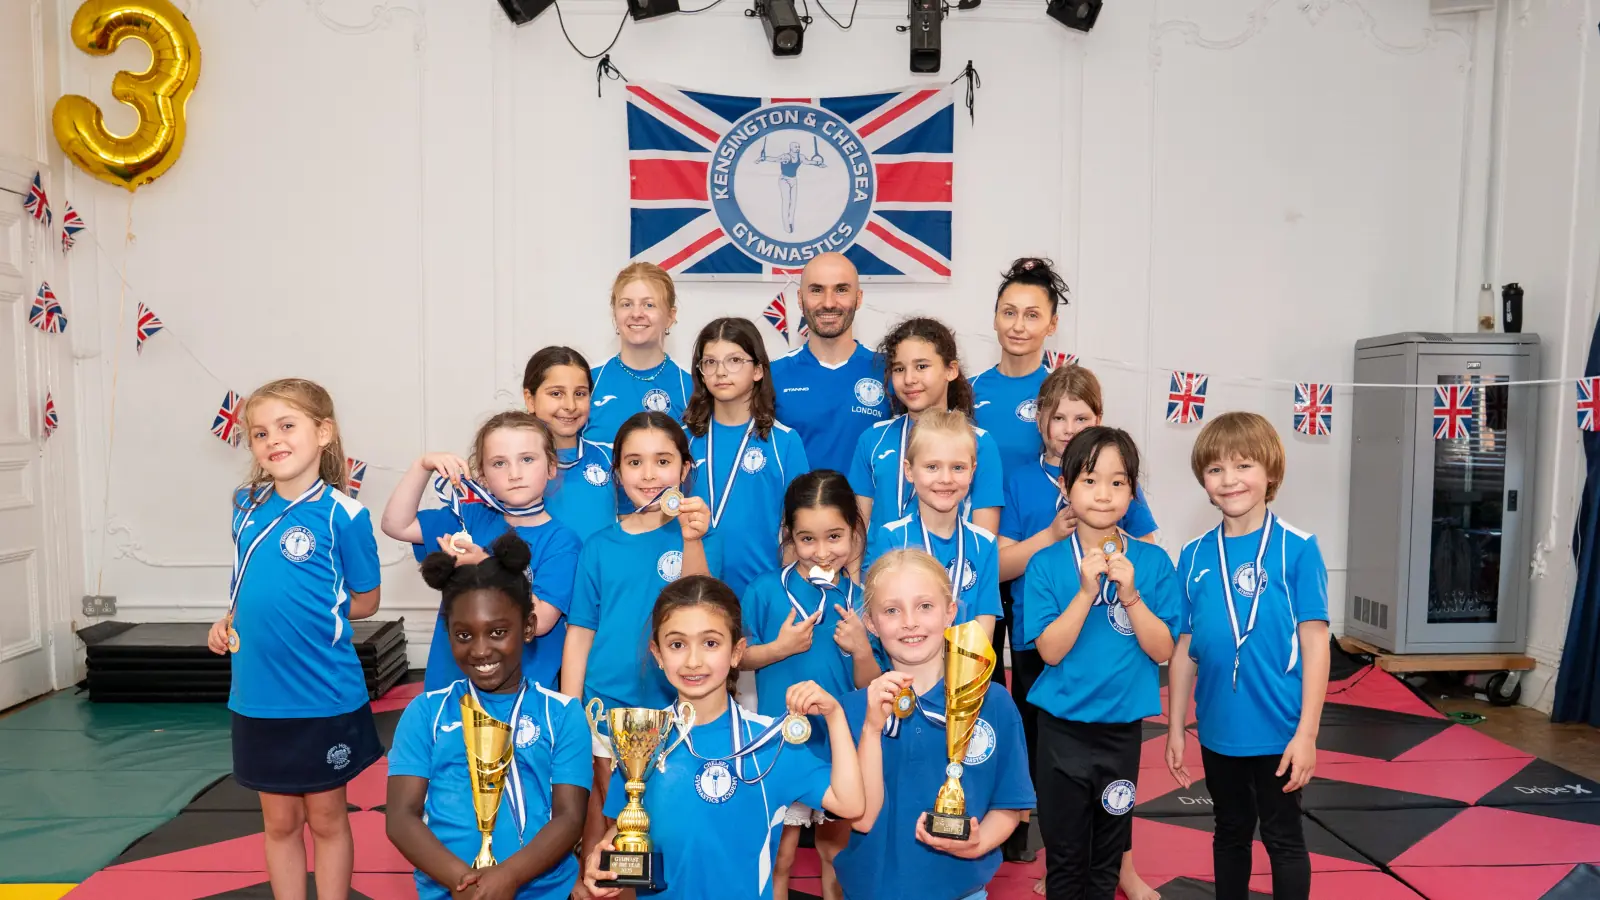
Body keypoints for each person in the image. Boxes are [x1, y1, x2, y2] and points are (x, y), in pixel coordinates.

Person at [583, 576, 868, 900]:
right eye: (677, 644)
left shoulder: (769, 742)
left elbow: (850, 803)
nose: (693, 660)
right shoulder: (642, 739)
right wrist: (602, 855)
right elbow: (627, 829)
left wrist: (834, 716)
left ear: (737, 652)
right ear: (658, 654)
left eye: (711, 643)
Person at [206, 378, 382, 900]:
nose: (272, 440)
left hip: (322, 695)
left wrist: (318, 612)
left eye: (287, 426)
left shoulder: (345, 514)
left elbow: (366, 601)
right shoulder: (244, 504)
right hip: (257, 696)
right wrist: (227, 620)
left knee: (327, 819)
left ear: (323, 432)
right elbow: (244, 583)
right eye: (259, 433)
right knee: (278, 822)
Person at [995, 365, 1161, 892]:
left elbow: (1151, 551)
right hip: (1040, 640)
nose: (1068, 426)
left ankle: (1118, 869)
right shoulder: (1021, 479)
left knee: (1110, 794)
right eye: (1058, 416)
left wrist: (1128, 583)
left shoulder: (1111, 474)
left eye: (1081, 417)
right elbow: (1001, 564)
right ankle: (1056, 859)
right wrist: (1050, 536)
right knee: (1050, 762)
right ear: (1039, 420)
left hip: (1114, 657)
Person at [1165, 412, 1330, 900]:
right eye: (1216, 470)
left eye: (1243, 466)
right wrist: (1175, 727)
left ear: (1270, 472)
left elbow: (1317, 644)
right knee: (1229, 831)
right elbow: (1183, 649)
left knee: (1283, 838)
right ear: (1203, 481)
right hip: (1218, 729)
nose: (1230, 480)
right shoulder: (1194, 554)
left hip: (1280, 729)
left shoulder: (1298, 549)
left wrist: (1308, 734)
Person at [386, 533, 591, 900]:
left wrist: (508, 876)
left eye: (498, 632)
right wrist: (461, 881)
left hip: (542, 891)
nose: (481, 650)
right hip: (451, 891)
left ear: (528, 627)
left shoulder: (562, 714)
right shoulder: (426, 713)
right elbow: (401, 817)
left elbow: (569, 818)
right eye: (464, 635)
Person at [562, 410, 721, 882]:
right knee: (604, 806)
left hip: (679, 703)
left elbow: (703, 610)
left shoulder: (704, 537)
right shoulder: (598, 545)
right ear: (616, 474)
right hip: (605, 703)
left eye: (662, 461)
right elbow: (581, 630)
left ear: (685, 470)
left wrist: (693, 540)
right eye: (634, 462)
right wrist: (572, 707)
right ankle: (593, 888)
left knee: (669, 810)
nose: (648, 475)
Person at [1022, 427, 1179, 900]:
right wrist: (1087, 592)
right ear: (1066, 486)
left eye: (1118, 482)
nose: (1104, 494)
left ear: (1133, 491)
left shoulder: (1152, 563)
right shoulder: (1046, 564)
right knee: (1066, 860)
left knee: (1107, 860)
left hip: (1121, 734)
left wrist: (1129, 596)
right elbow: (1049, 651)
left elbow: (1164, 650)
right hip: (1060, 733)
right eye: (1090, 481)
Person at [833, 548, 1036, 900]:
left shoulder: (994, 702)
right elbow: (856, 820)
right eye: (892, 610)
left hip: (963, 891)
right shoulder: (851, 712)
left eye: (925, 606)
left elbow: (1009, 804)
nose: (910, 622)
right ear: (871, 623)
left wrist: (978, 843)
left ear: (950, 612)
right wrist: (870, 728)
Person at [739, 470, 875, 900]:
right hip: (780, 748)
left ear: (855, 532)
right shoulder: (764, 592)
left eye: (834, 537)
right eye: (807, 539)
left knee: (836, 854)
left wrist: (862, 650)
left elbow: (872, 688)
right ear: (789, 536)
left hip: (839, 748)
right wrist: (779, 649)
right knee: (779, 857)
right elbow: (735, 658)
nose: (821, 552)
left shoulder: (864, 600)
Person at [381, 412, 582, 691]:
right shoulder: (470, 517)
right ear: (483, 477)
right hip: (453, 687)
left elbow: (540, 622)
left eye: (527, 459)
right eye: (499, 463)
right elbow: (396, 525)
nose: (514, 473)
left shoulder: (562, 541)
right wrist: (422, 466)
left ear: (551, 466)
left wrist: (487, 566)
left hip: (521, 695)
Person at [684, 317, 811, 597]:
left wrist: (786, 596)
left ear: (758, 370)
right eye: (710, 362)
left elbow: (798, 527)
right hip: (693, 593)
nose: (721, 372)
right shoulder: (683, 441)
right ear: (701, 372)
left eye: (734, 360)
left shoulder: (784, 442)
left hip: (762, 595)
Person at [849, 317, 1003, 537]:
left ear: (951, 370)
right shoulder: (873, 439)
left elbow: (985, 540)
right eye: (899, 369)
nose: (909, 379)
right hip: (882, 568)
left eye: (922, 366)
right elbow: (857, 533)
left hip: (950, 570)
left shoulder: (979, 442)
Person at [863, 409, 1001, 643]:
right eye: (932, 467)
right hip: (903, 672)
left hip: (963, 673)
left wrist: (961, 675)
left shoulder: (984, 543)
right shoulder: (892, 537)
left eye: (957, 467)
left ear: (972, 471)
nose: (946, 478)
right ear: (909, 471)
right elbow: (882, 620)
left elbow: (984, 628)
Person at [770, 253, 888, 474]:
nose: (828, 303)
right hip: (795, 508)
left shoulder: (890, 372)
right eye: (816, 290)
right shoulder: (772, 375)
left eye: (841, 290)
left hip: (871, 509)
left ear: (859, 298)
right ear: (800, 298)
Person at [969, 256, 1067, 475]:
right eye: (1009, 313)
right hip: (976, 510)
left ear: (1052, 325)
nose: (1018, 326)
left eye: (1032, 315)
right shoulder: (965, 391)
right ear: (995, 319)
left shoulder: (1065, 393)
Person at [587, 262, 694, 444]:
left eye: (649, 305)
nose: (636, 313)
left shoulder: (691, 386)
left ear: (670, 316)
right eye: (626, 304)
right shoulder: (588, 383)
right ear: (615, 313)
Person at [522, 345, 618, 542]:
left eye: (580, 394)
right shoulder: (513, 464)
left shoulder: (610, 458)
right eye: (556, 394)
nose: (570, 406)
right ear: (530, 399)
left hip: (599, 573)